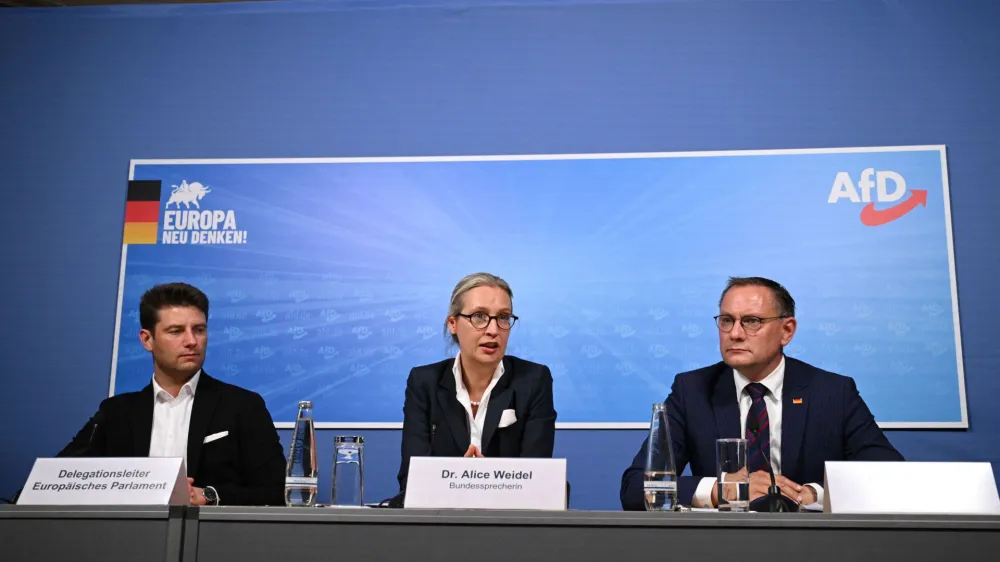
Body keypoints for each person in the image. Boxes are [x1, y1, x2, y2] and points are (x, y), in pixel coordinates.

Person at [620, 276, 903, 510]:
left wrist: (813, 494)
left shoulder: (832, 392)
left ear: (787, 330)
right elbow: (635, 488)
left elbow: (889, 476)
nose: (735, 333)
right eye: (727, 320)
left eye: (752, 321)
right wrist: (722, 491)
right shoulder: (692, 390)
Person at [58, 282, 286, 506]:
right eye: (176, 331)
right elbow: (57, 481)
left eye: (199, 330)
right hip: (129, 538)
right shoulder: (116, 413)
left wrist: (208, 496)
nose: (191, 341)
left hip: (214, 538)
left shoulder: (243, 406)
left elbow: (277, 491)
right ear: (147, 340)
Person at [394, 272, 557, 502]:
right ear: (453, 323)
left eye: (503, 317)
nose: (493, 330)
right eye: (479, 316)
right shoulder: (424, 382)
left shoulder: (533, 380)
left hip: (511, 524)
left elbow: (538, 478)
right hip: (439, 523)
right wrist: (465, 481)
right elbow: (411, 478)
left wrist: (482, 481)